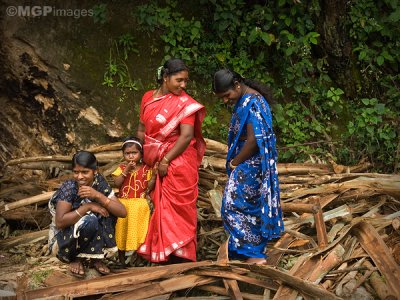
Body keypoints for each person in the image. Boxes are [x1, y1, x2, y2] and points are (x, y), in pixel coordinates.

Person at [136, 58, 206, 263]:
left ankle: (181, 255)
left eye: (186, 81)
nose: (183, 85)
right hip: (154, 159)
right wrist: (144, 155)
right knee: (159, 207)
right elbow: (141, 130)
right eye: (179, 80)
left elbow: (186, 136)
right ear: (165, 78)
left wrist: (165, 159)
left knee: (179, 206)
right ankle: (162, 253)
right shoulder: (148, 98)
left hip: (179, 161)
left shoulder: (186, 104)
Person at [212, 69, 284, 264]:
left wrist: (235, 162)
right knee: (246, 204)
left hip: (251, 161)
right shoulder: (247, 99)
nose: (226, 101)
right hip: (249, 160)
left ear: (237, 85)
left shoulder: (253, 103)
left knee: (232, 204)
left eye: (227, 95)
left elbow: (253, 141)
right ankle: (244, 250)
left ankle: (253, 254)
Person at [48, 150, 127, 277]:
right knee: (89, 219)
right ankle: (75, 258)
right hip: (63, 241)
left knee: (108, 211)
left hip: (86, 235)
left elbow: (122, 212)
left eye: (85, 172)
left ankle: (96, 259)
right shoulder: (70, 187)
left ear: (95, 171)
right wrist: (88, 206)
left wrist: (97, 196)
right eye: (76, 172)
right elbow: (60, 222)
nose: (79, 177)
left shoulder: (99, 183)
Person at [112, 136, 156, 267]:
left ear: (141, 154)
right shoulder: (120, 168)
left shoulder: (146, 169)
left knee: (140, 232)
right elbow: (117, 183)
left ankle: (138, 259)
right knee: (121, 231)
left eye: (134, 153)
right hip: (123, 205)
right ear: (123, 154)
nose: (131, 156)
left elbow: (149, 187)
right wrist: (126, 171)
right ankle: (121, 260)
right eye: (127, 153)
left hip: (139, 206)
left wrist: (153, 176)